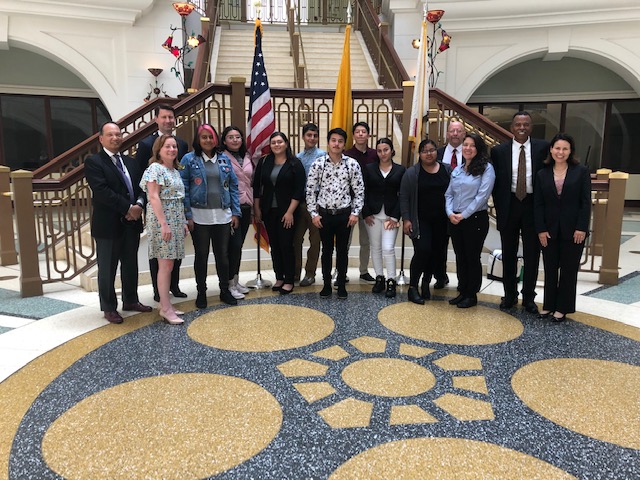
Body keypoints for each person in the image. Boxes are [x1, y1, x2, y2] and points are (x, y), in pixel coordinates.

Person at [85, 122, 152, 324]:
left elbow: (142, 186)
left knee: (130, 265)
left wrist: (139, 204)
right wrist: (127, 208)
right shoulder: (94, 162)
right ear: (101, 139)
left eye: (118, 134)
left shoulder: (130, 162)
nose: (115, 138)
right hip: (108, 225)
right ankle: (109, 307)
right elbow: (102, 191)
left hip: (131, 224)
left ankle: (130, 300)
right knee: (107, 269)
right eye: (110, 135)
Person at [491, 111, 549, 314]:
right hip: (510, 205)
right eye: (517, 124)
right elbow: (496, 183)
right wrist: (499, 207)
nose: (521, 128)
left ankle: (529, 297)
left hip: (533, 206)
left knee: (532, 254)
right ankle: (509, 295)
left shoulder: (543, 148)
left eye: (525, 124)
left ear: (531, 127)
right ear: (511, 128)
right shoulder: (499, 151)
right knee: (509, 253)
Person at [180, 124, 241, 308]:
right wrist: (188, 215)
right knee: (201, 255)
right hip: (199, 216)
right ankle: (201, 293)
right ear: (198, 140)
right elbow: (184, 187)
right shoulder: (189, 159)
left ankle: (224, 290)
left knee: (222, 255)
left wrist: (236, 212)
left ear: (216, 139)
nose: (207, 140)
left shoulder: (224, 159)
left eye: (211, 137)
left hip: (222, 215)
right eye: (204, 137)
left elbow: (233, 186)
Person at [534, 133, 591, 322]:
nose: (561, 152)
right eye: (557, 148)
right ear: (551, 150)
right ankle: (549, 304)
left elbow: (585, 203)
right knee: (550, 269)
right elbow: (538, 204)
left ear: (570, 151)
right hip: (548, 230)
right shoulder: (542, 173)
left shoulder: (580, 171)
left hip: (574, 230)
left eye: (565, 149)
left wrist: (581, 227)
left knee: (568, 270)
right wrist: (541, 229)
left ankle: (563, 307)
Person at [136, 104, 190, 302]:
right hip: (159, 212)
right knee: (160, 257)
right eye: (164, 117)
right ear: (156, 119)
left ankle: (173, 287)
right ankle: (159, 293)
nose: (168, 121)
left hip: (175, 211)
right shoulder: (145, 145)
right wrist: (143, 204)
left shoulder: (181, 144)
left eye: (171, 117)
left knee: (173, 255)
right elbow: (147, 186)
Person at [306, 127, 365, 299]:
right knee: (326, 251)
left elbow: (359, 191)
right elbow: (310, 191)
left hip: (344, 215)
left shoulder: (352, 164)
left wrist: (355, 213)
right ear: (328, 142)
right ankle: (326, 285)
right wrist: (313, 214)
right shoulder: (318, 164)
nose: (336, 144)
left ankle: (340, 285)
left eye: (340, 141)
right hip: (324, 215)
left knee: (342, 251)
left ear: (344, 144)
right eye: (333, 140)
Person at [140, 135, 189, 324]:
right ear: (159, 150)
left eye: (174, 146)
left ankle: (166, 304)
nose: (172, 149)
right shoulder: (155, 168)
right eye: (167, 146)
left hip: (176, 219)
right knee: (165, 266)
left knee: (170, 264)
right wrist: (163, 223)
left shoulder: (174, 170)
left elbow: (178, 197)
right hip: (163, 220)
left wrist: (183, 221)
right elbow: (153, 197)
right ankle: (166, 308)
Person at [445, 133, 496, 308]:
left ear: (478, 148)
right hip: (455, 220)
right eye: (465, 145)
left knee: (472, 257)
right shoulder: (458, 169)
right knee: (460, 256)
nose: (467, 148)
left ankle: (471, 294)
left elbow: (482, 197)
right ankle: (463, 290)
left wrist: (463, 215)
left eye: (472, 145)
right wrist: (450, 212)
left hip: (474, 219)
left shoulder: (486, 168)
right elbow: (449, 194)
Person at [400, 139, 452, 305]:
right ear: (420, 154)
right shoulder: (412, 173)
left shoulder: (447, 169)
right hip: (420, 220)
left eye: (432, 150)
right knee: (423, 250)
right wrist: (406, 219)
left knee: (435, 253)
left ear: (437, 151)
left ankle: (426, 282)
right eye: (424, 151)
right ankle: (413, 287)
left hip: (442, 221)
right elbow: (404, 197)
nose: (429, 154)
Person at [253, 132, 306, 294]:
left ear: (286, 144)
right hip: (268, 210)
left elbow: (298, 190)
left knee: (286, 245)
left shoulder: (295, 163)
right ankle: (279, 277)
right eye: (273, 142)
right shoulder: (264, 162)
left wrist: (290, 212)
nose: (277, 145)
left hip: (287, 212)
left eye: (280, 142)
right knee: (274, 245)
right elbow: (257, 187)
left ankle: (289, 279)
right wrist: (257, 209)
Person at [362, 138, 406, 298]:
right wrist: (365, 212)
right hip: (372, 216)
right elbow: (363, 191)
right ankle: (379, 278)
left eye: (386, 150)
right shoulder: (369, 168)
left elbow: (403, 195)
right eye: (379, 150)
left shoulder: (401, 170)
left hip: (390, 217)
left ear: (392, 150)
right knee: (375, 247)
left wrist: (395, 217)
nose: (382, 153)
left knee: (388, 248)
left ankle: (391, 280)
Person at [218, 126, 253, 299]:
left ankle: (236, 280)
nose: (235, 140)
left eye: (238, 137)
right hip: (232, 208)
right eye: (230, 137)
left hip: (247, 206)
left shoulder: (246, 156)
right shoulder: (221, 158)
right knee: (233, 246)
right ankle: (229, 283)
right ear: (224, 140)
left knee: (238, 248)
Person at [344, 121, 377, 284]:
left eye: (364, 131)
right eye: (357, 131)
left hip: (368, 204)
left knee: (366, 240)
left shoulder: (374, 154)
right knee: (346, 240)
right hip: (349, 204)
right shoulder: (347, 154)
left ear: (368, 135)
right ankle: (341, 271)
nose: (361, 134)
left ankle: (364, 271)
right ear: (354, 135)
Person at [434, 120, 465, 289]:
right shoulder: (437, 154)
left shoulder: (469, 154)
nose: (455, 134)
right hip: (440, 207)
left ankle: (463, 281)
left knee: (462, 247)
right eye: (452, 131)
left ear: (463, 134)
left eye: (458, 131)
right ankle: (440, 276)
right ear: (447, 134)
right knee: (439, 245)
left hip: (462, 208)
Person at [294, 123, 325, 287]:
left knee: (315, 241)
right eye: (309, 135)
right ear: (303, 137)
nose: (312, 138)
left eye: (315, 136)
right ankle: (295, 272)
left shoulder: (323, 156)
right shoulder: (297, 157)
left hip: (318, 205)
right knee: (296, 239)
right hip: (300, 205)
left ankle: (310, 273)